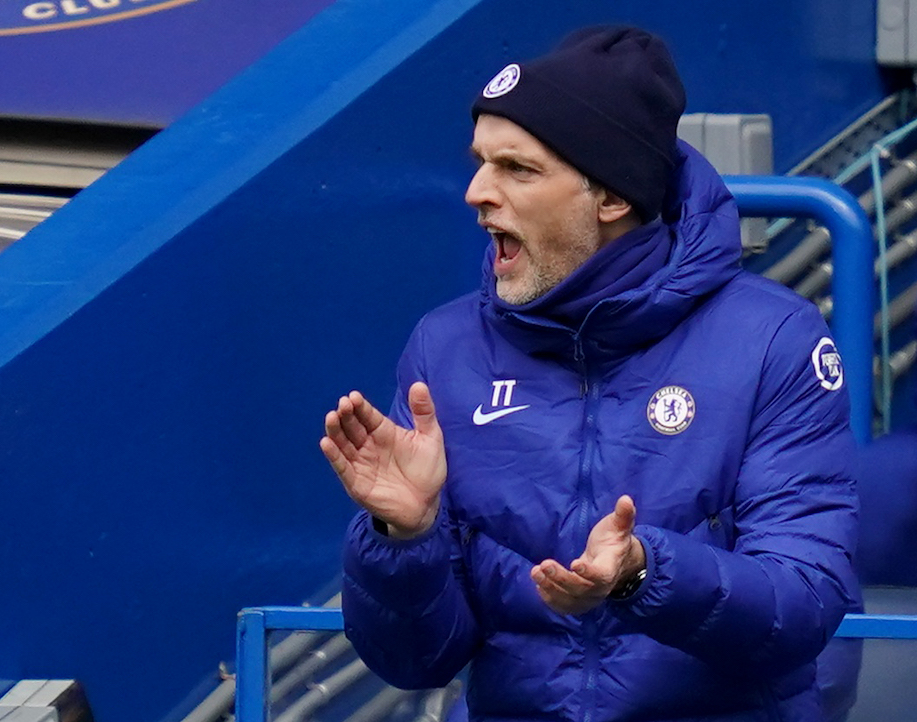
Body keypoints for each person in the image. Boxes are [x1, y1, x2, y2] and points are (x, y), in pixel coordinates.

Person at [320, 26, 860, 722]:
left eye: (517, 168)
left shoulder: (772, 341)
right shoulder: (445, 349)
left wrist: (644, 573)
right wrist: (405, 539)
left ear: (610, 197)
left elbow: (806, 603)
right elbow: (415, 660)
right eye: (480, 162)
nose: (476, 192)